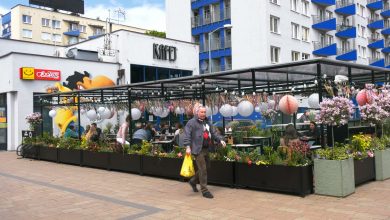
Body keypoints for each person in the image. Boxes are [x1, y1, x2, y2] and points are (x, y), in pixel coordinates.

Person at [184, 105, 226, 199]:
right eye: (201, 112)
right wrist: (187, 146)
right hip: (197, 149)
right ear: (197, 112)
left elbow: (214, 133)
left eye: (204, 112)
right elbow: (187, 135)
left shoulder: (207, 122)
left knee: (206, 167)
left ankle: (193, 181)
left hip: (207, 148)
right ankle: (205, 190)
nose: (203, 114)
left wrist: (220, 140)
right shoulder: (191, 122)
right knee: (203, 169)